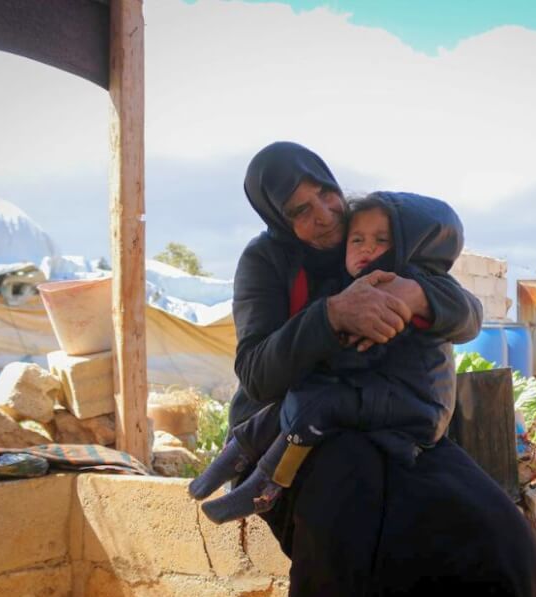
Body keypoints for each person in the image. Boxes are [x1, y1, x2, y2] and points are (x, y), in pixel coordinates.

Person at [206, 141, 536, 597]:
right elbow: (257, 372)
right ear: (279, 219)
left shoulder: (373, 231)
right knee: (351, 542)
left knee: (502, 541)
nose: (325, 214)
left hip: (394, 423)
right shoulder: (265, 262)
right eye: (300, 210)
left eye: (326, 193)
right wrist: (330, 316)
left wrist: (418, 297)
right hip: (294, 435)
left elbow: (469, 315)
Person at [191, 192, 463, 524]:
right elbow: (263, 367)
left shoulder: (398, 284)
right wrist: (329, 324)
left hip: (412, 403)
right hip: (371, 389)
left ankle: (265, 486)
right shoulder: (311, 274)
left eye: (381, 240)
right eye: (357, 239)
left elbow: (365, 353)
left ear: (404, 244)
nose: (366, 248)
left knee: (314, 404)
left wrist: (331, 346)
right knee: (293, 403)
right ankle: (236, 454)